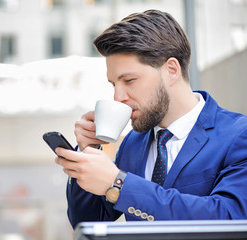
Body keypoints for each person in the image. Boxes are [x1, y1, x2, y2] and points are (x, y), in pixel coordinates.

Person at [54, 9, 247, 229]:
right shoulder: (133, 143)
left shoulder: (239, 136)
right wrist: (88, 153)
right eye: (113, 84)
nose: (118, 97)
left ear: (171, 70)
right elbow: (88, 222)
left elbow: (230, 217)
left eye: (129, 80)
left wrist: (118, 184)